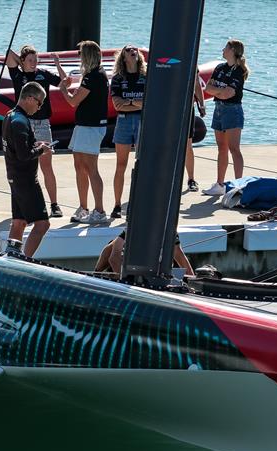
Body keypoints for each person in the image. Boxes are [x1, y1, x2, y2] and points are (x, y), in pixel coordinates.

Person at [6, 45, 67, 218]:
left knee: (46, 165)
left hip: (42, 123)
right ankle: (22, 204)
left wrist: (57, 65)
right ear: (24, 60)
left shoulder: (43, 74)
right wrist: (22, 64)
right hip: (24, 123)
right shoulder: (18, 74)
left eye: (36, 60)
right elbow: (8, 54)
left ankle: (54, 204)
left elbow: (64, 82)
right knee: (23, 164)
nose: (34, 63)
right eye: (30, 60)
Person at [60, 40, 109, 224]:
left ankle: (99, 211)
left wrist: (63, 89)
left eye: (81, 54)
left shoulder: (94, 76)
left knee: (90, 168)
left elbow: (73, 101)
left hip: (91, 127)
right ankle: (84, 207)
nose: (79, 57)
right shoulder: (93, 75)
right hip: (84, 125)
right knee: (79, 166)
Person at [2, 82, 53, 258]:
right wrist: (42, 150)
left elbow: (17, 147)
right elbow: (24, 155)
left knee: (19, 222)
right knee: (42, 224)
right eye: (39, 103)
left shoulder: (10, 116)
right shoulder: (20, 121)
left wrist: (35, 144)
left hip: (14, 177)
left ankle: (11, 255)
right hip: (26, 179)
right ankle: (25, 260)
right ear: (30, 98)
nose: (39, 108)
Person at [202, 39, 249, 196]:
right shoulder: (220, 67)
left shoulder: (238, 70)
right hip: (219, 109)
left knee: (234, 148)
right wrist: (219, 92)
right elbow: (208, 88)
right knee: (221, 147)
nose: (222, 50)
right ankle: (220, 184)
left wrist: (218, 91)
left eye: (225, 48)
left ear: (232, 51)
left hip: (232, 110)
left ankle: (238, 186)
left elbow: (229, 93)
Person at [109, 44, 146, 219]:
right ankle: (117, 204)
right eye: (129, 51)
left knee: (141, 164)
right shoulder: (117, 78)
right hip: (123, 121)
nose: (133, 52)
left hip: (141, 122)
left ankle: (139, 202)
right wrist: (135, 102)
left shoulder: (146, 77)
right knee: (121, 165)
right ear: (123, 57)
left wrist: (128, 101)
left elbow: (148, 103)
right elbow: (117, 105)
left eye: (135, 50)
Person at [95, 230, 194, 276]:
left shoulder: (170, 232)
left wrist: (192, 282)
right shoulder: (132, 228)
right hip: (128, 269)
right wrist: (124, 282)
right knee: (112, 245)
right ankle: (96, 273)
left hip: (157, 271)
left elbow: (185, 265)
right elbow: (113, 259)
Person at [185, 70, 206, 192]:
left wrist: (202, 105)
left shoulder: (190, 56)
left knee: (188, 144)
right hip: (168, 106)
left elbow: (196, 82)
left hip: (187, 107)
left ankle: (191, 179)